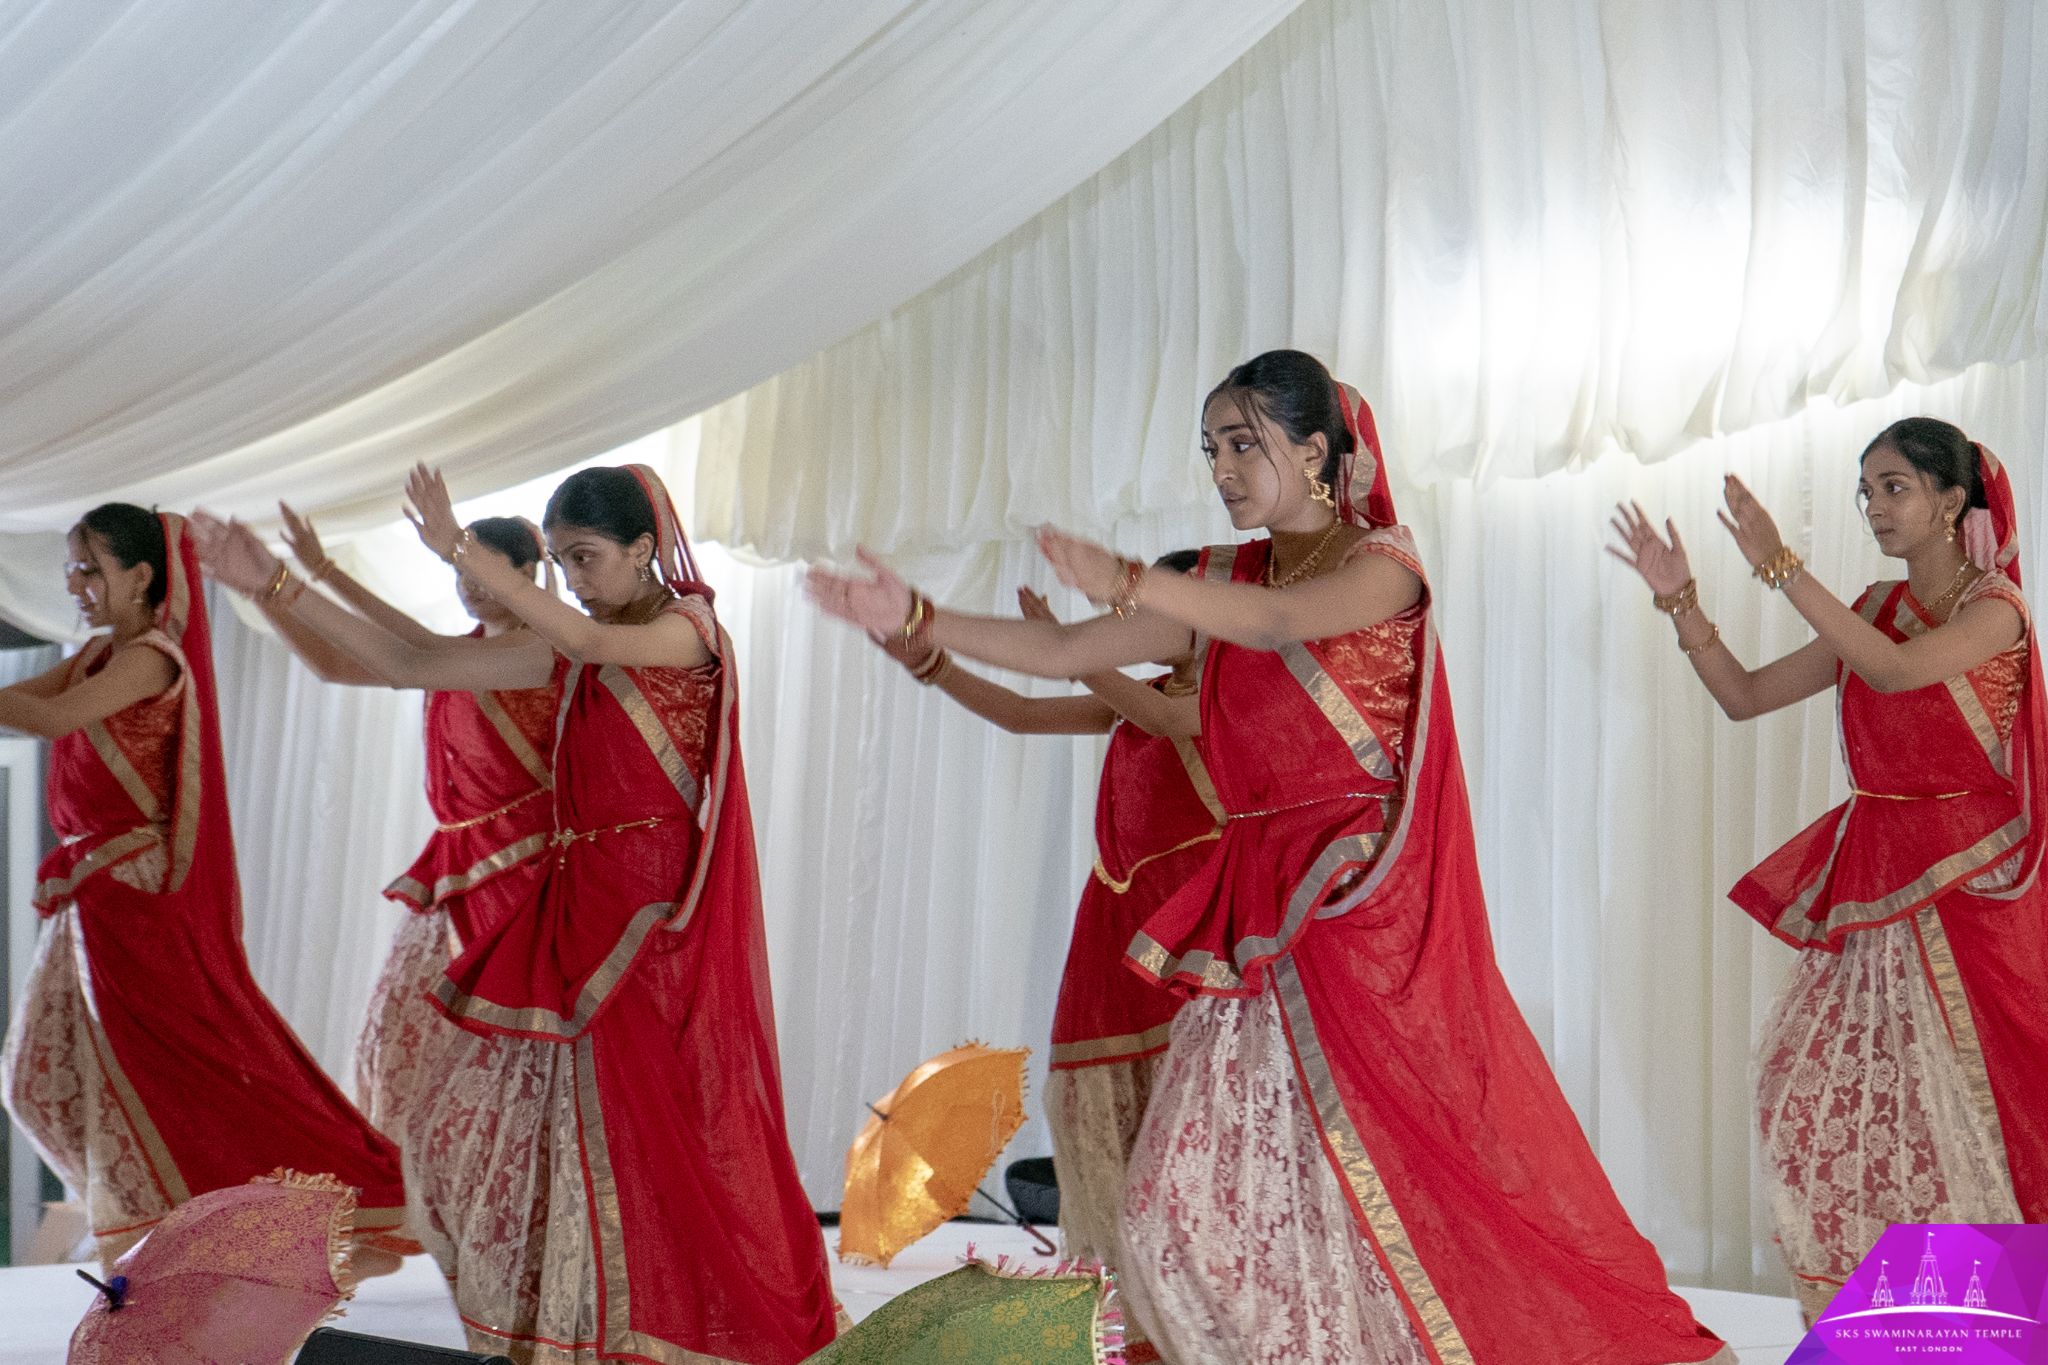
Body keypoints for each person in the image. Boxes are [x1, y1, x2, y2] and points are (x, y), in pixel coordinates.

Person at [810, 350, 1730, 1364]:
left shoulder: (1382, 565)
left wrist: (1128, 581)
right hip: (1249, 921)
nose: (1222, 468)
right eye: (1210, 448)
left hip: (1350, 915)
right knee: (1171, 1212)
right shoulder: (1216, 575)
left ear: (1320, 451)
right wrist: (916, 621)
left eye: (1244, 444)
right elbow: (1068, 656)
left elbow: (1281, 621)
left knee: (1395, 1187)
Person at [194, 466, 837, 1363]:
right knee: (494, 1121)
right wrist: (272, 584)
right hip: (575, 905)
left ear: (646, 549)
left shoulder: (684, 631)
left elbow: (576, 630)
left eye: (585, 557)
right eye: (563, 560)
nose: (573, 578)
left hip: (646, 926)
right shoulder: (584, 639)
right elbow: (414, 662)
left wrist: (460, 548)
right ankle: (570, 1322)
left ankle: (655, 1330)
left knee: (649, 1135)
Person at [1610, 419, 2048, 1322]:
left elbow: (1891, 674)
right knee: (1810, 1090)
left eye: (1896, 487)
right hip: (1877, 880)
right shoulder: (1874, 606)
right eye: (1868, 490)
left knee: (1965, 1114)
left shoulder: (1994, 610)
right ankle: (1898, 1322)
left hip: (1966, 895)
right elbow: (1745, 697)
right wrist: (1680, 599)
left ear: (1951, 500)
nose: (1877, 507)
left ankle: (1980, 1325)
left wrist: (1779, 563)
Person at [0, 504, 409, 1268]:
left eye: (91, 568)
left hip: (133, 901)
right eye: (72, 570)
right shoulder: (97, 652)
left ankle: (222, 1228)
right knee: (37, 1077)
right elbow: (23, 713)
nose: (77, 585)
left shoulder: (151, 657)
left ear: (142, 575)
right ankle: (171, 1223)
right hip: (90, 901)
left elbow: (52, 719)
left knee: (180, 1076)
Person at [875, 567, 1217, 1349]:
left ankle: (1202, 1330)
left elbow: (1165, 719)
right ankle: (1138, 1331)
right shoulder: (1146, 687)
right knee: (1106, 1148)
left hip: (1191, 947)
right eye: (1126, 614)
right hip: (1113, 936)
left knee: (1186, 1158)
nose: (1131, 625)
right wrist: (936, 666)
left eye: (1143, 614)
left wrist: (1070, 648)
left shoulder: (1228, 698)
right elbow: (1026, 714)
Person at [244, 505, 564, 1139]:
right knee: (395, 1049)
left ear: (528, 573)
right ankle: (409, 1200)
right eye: (458, 572)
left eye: (482, 571)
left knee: (499, 1059)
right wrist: (273, 592)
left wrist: (312, 577)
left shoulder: (542, 648)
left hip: (522, 875)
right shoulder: (464, 654)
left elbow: (412, 652)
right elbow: (341, 663)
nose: (468, 586)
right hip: (453, 872)